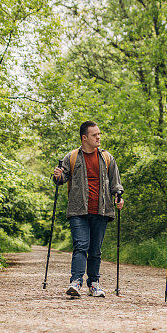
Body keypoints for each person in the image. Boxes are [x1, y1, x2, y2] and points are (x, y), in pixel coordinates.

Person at [53, 121, 124, 298]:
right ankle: (76, 282)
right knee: (81, 245)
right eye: (94, 135)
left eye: (99, 134)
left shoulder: (107, 157)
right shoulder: (72, 157)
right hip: (78, 210)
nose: (98, 137)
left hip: (101, 210)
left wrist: (118, 196)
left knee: (95, 250)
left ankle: (93, 283)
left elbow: (115, 183)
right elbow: (61, 180)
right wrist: (58, 176)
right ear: (84, 138)